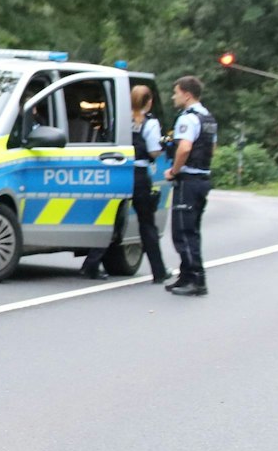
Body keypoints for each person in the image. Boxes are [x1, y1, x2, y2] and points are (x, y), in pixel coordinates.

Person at [80, 83, 171, 283]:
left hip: (116, 171)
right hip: (138, 173)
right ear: (149, 102)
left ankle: (91, 265)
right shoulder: (150, 123)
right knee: (147, 224)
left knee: (111, 219)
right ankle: (159, 271)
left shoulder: (119, 119)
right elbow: (154, 150)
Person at [162, 74, 215, 296]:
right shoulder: (208, 118)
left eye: (176, 93)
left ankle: (196, 279)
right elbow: (212, 148)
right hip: (202, 179)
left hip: (188, 180)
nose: (173, 97)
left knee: (183, 232)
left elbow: (184, 148)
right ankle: (185, 276)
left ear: (186, 94)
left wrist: (174, 171)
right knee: (191, 229)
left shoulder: (187, 119)